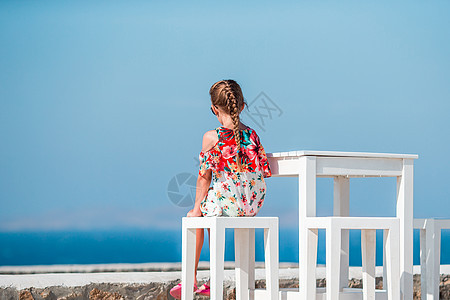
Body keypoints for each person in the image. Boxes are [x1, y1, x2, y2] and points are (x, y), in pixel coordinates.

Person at [169, 79, 272, 299]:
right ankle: (209, 280)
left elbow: (203, 178)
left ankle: (192, 279)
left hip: (230, 202)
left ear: (214, 109)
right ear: (242, 107)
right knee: (214, 205)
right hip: (252, 204)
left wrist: (197, 206)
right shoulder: (253, 135)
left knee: (198, 214)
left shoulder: (212, 137)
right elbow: (263, 170)